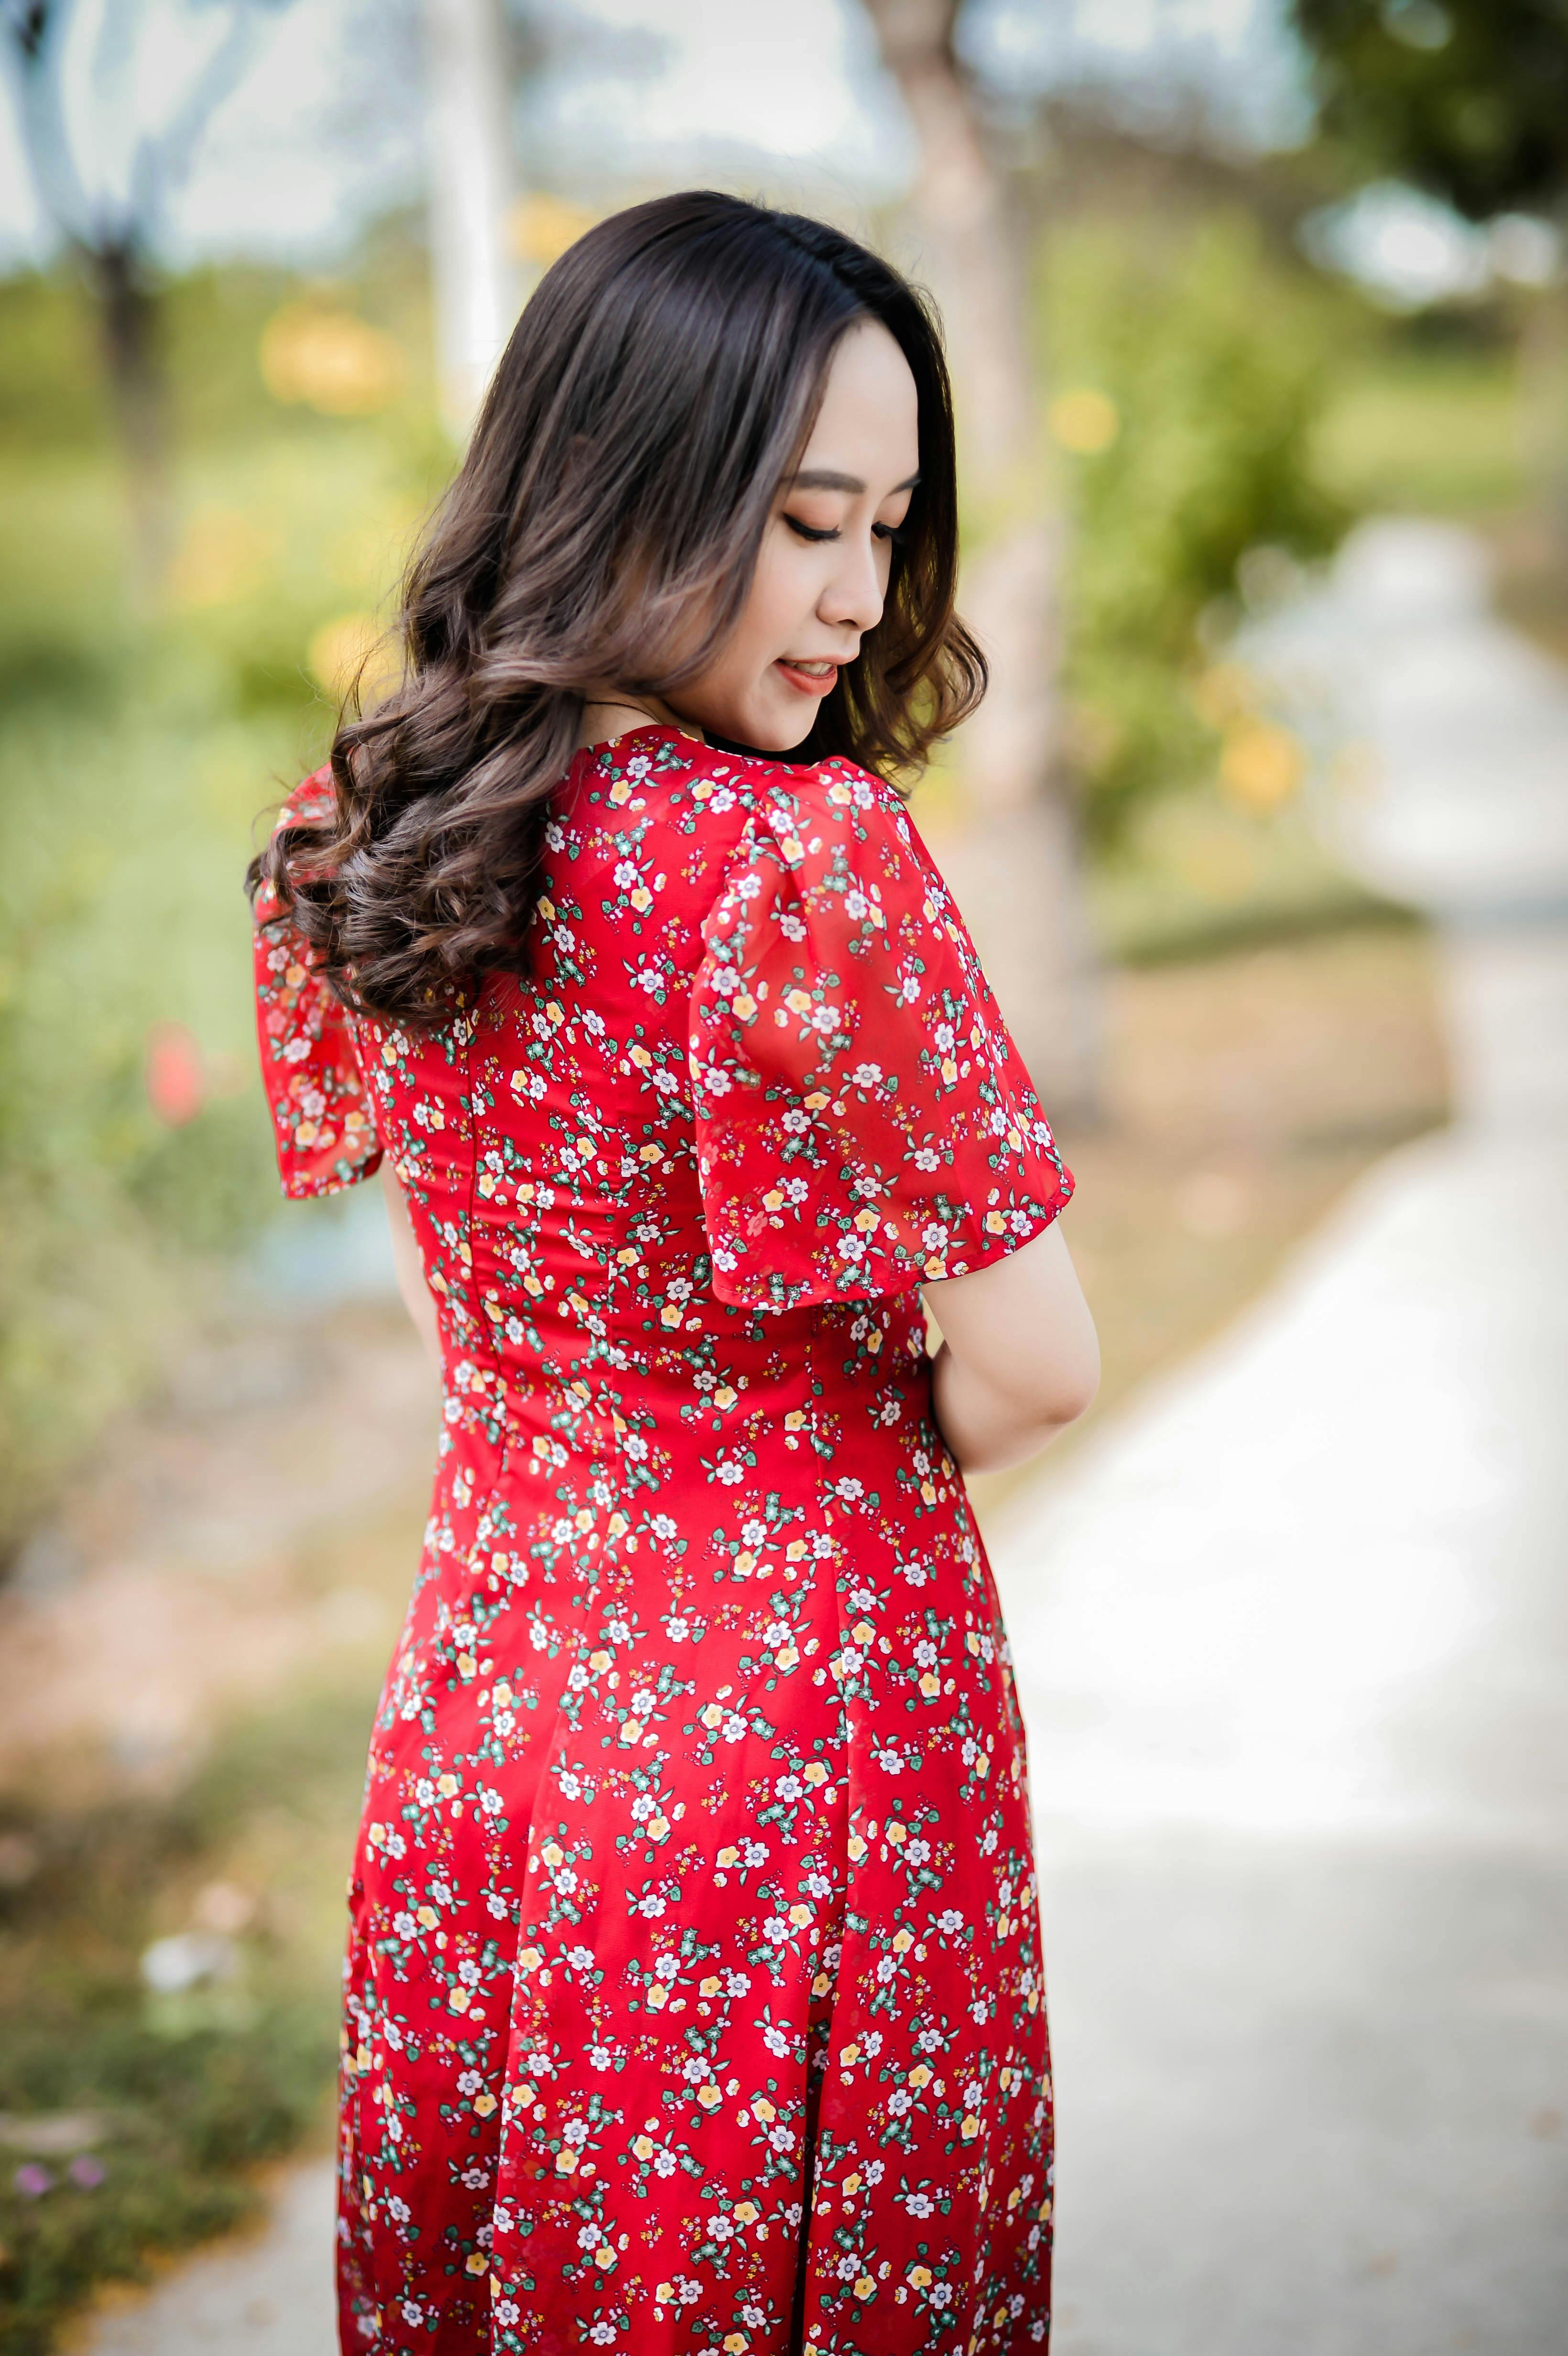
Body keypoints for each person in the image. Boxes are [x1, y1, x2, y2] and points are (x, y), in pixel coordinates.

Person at [249, 190, 1098, 2356]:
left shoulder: (356, 840)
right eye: (809, 518)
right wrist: (814, 1461)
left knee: (533, 2247)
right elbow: (1039, 1364)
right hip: (809, 1704)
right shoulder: (808, 860)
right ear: (633, 485)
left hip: (500, 1683)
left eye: (891, 528)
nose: (857, 593)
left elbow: (476, 1337)